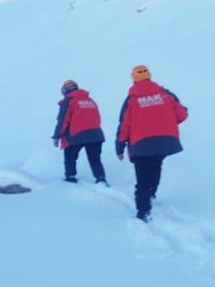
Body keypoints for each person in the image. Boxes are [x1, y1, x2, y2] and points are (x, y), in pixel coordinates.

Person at [115, 65, 188, 222]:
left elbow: (124, 125)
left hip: (141, 144)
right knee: (156, 167)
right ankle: (151, 193)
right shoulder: (166, 95)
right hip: (165, 141)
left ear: (133, 79)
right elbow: (182, 115)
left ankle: (143, 211)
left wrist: (119, 146)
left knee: (142, 177)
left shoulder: (132, 100)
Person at [52, 80, 109, 185]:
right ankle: (100, 178)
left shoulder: (68, 101)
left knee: (70, 156)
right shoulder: (90, 100)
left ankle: (70, 177)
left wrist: (57, 136)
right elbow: (98, 117)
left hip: (76, 135)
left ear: (64, 91)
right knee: (95, 159)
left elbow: (63, 120)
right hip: (96, 134)